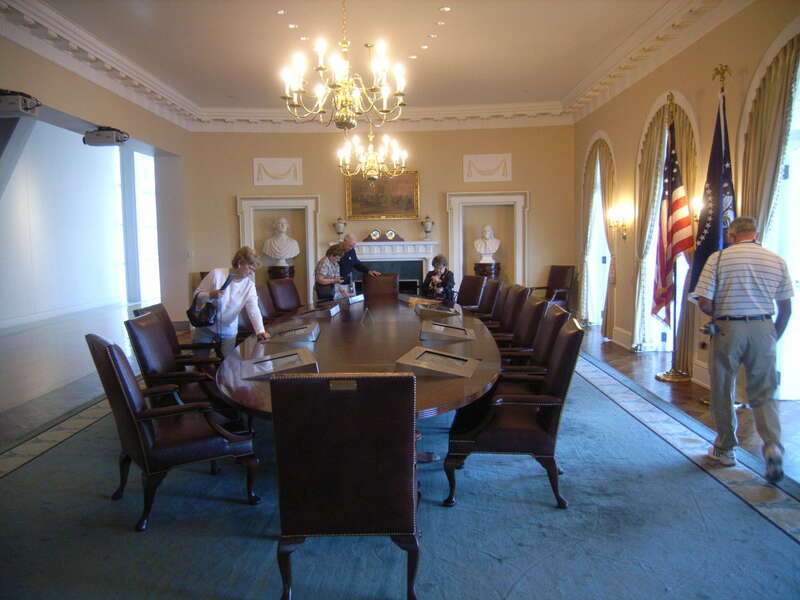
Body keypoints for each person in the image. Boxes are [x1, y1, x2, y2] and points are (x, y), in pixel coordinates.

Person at [692, 216, 793, 483]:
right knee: (764, 391)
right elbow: (786, 307)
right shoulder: (776, 260)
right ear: (755, 234)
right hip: (764, 328)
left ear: (731, 235)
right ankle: (772, 447)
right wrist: (773, 335)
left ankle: (725, 449)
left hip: (729, 328)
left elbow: (704, 302)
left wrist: (720, 312)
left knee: (723, 387)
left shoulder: (719, 259)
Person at [192, 246, 269, 356]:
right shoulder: (216, 274)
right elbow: (196, 296)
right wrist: (210, 295)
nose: (252, 273)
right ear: (240, 263)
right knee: (200, 360)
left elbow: (253, 310)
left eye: (254, 270)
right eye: (250, 268)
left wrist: (260, 331)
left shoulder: (249, 286)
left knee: (228, 363)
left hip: (228, 330)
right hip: (205, 327)